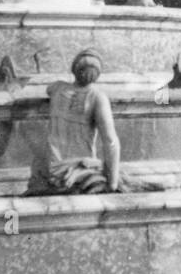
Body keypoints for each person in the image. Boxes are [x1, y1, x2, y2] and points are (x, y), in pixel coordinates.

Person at [26, 49, 161, 195]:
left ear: (74, 69)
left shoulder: (58, 88)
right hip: (79, 171)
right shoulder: (98, 97)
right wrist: (112, 183)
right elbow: (110, 142)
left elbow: (49, 89)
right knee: (128, 183)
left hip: (50, 169)